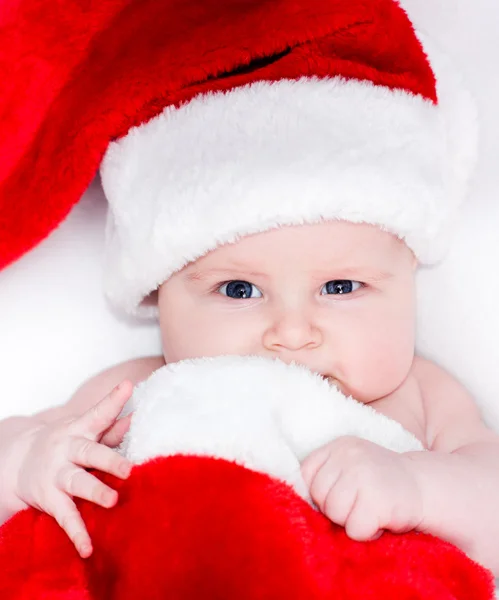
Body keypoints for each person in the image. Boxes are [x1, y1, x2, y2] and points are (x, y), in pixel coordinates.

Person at [1, 0, 498, 577]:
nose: (290, 332)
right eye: (238, 290)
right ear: (159, 294)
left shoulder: (420, 399)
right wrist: (28, 463)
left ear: (407, 277)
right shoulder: (131, 394)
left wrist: (418, 487)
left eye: (340, 286)